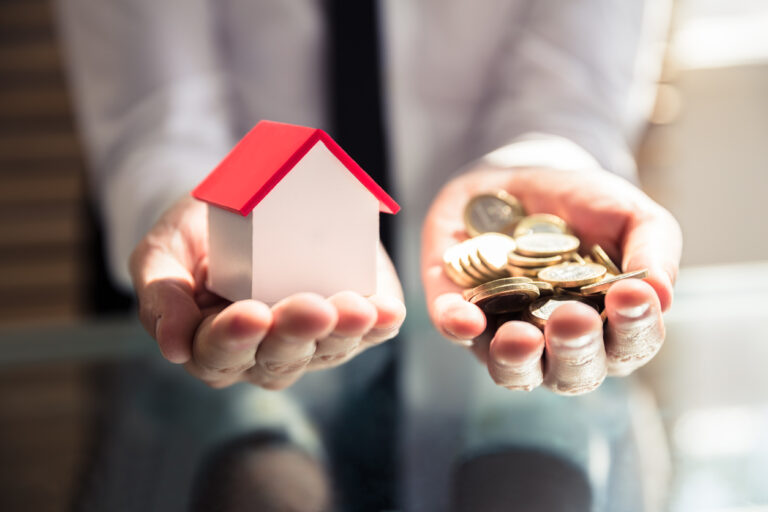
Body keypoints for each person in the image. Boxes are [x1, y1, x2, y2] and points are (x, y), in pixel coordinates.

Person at [57, 0, 681, 510]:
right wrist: (187, 202)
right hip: (212, 335)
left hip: (476, 346)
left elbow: (573, 81)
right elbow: (157, 109)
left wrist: (546, 162)